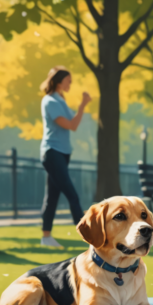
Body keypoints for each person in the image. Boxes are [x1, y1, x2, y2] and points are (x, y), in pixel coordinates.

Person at [39, 66, 90, 248]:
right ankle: (90, 237)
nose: (70, 83)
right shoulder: (50, 101)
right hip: (52, 153)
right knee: (72, 195)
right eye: (68, 80)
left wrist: (82, 107)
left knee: (52, 196)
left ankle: (46, 237)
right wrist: (82, 106)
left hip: (61, 153)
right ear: (59, 81)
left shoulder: (60, 99)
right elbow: (71, 125)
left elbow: (72, 124)